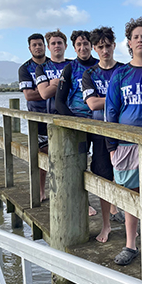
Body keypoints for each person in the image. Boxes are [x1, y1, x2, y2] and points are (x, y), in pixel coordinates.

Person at [105, 17, 142, 266]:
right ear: (129, 42)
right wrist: (111, 146)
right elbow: (111, 110)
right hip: (126, 145)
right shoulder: (120, 74)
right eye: (135, 37)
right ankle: (131, 243)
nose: (140, 40)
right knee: (131, 196)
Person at [82, 27, 125, 242]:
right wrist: (119, 98)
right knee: (103, 179)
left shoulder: (126, 71)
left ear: (114, 46)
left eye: (108, 46)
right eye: (100, 47)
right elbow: (92, 104)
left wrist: (106, 99)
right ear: (95, 49)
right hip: (100, 133)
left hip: (125, 133)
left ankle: (133, 227)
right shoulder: (89, 74)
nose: (105, 50)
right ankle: (106, 225)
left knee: (130, 181)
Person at [54, 30, 99, 216]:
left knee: (103, 165)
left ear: (92, 46)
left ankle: (112, 206)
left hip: (100, 122)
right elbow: (59, 101)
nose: (83, 48)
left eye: (86, 44)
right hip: (78, 123)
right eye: (79, 45)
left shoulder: (99, 66)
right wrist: (73, 123)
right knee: (79, 164)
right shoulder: (70, 68)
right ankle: (84, 202)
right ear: (74, 48)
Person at [18, 33, 49, 201]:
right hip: (37, 118)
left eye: (40, 44)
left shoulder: (53, 65)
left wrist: (43, 90)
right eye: (34, 45)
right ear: (29, 48)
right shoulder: (25, 69)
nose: (38, 47)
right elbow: (29, 95)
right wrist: (48, 90)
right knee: (40, 156)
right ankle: (41, 191)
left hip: (56, 115)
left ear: (45, 46)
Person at [35, 30, 71, 114]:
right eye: (53, 43)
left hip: (73, 112)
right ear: (48, 47)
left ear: (65, 46)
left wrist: (54, 84)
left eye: (59, 43)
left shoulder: (73, 65)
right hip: (53, 113)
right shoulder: (41, 68)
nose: (56, 46)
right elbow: (44, 94)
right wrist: (67, 83)